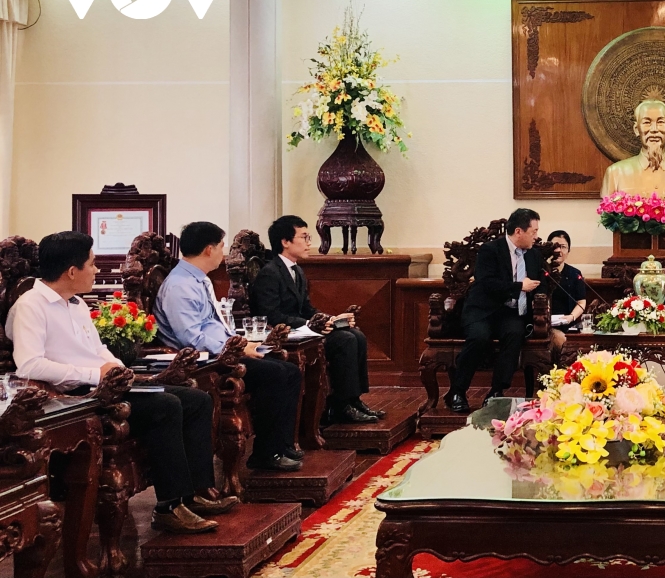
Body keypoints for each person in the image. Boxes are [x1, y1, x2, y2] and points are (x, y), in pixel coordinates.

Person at [7, 232, 238, 533]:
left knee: (197, 399)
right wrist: (95, 374)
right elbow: (29, 364)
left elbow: (98, 349)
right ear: (72, 271)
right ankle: (169, 507)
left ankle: (195, 492)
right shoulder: (31, 306)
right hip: (77, 398)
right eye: (92, 264)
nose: (96, 270)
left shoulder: (76, 304)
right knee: (166, 405)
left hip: (106, 386)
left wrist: (117, 369)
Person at [156, 222, 305, 472]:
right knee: (275, 373)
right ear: (208, 249)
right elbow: (190, 337)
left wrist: (243, 343)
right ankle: (266, 453)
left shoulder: (198, 279)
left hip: (223, 351)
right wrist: (235, 349)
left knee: (288, 368)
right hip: (206, 362)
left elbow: (214, 325)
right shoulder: (179, 286)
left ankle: (281, 444)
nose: (222, 253)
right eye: (221, 246)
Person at [251, 215, 383, 425]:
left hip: (304, 330)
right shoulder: (270, 273)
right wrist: (309, 324)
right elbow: (272, 315)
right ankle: (340, 405)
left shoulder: (297, 270)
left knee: (356, 334)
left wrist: (332, 319)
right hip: (286, 334)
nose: (309, 243)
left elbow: (307, 308)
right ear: (285, 242)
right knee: (345, 340)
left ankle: (354, 399)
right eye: (304, 237)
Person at [444, 208, 545, 414]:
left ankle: (497, 391)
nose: (536, 236)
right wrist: (519, 286)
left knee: (514, 333)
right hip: (483, 310)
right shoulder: (490, 250)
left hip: (510, 313)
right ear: (519, 231)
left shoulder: (534, 255)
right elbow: (487, 282)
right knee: (479, 337)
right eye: (533, 231)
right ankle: (457, 391)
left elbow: (540, 284)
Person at [545, 230, 586, 357]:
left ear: (568, 250)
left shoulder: (574, 273)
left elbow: (581, 302)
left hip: (569, 323)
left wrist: (571, 317)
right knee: (562, 341)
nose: (559, 250)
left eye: (563, 247)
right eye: (555, 246)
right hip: (546, 325)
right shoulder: (540, 271)